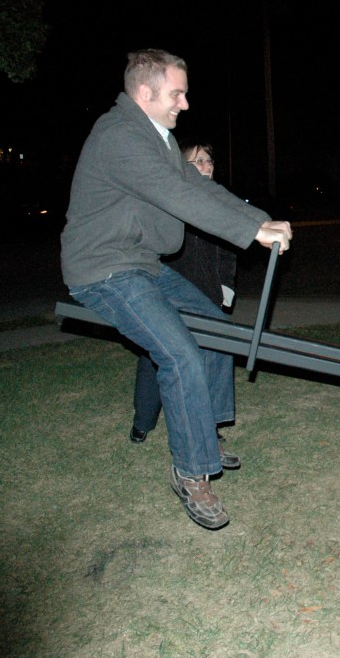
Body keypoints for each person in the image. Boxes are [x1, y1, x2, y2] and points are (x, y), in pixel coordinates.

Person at [61, 49, 292, 530]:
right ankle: (191, 472)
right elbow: (179, 197)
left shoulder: (156, 138)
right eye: (177, 93)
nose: (185, 104)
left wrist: (259, 220)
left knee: (213, 325)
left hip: (140, 265)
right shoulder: (120, 137)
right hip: (104, 270)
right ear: (144, 93)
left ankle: (203, 435)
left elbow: (197, 184)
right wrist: (251, 234)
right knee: (180, 353)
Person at [129, 140, 240, 472]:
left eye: (208, 161)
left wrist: (226, 290)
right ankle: (142, 422)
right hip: (163, 290)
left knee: (215, 348)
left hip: (203, 294)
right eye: (195, 162)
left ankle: (209, 428)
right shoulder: (167, 199)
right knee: (156, 359)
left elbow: (227, 251)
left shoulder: (218, 203)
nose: (204, 166)